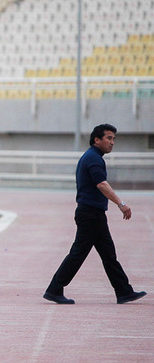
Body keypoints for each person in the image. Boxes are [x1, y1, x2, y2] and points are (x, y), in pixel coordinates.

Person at [43, 124, 147, 304]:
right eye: (109, 138)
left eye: (114, 139)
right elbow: (101, 184)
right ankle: (54, 289)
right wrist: (121, 204)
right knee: (78, 253)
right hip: (90, 214)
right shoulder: (93, 158)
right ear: (96, 140)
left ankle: (123, 291)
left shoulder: (94, 157)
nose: (112, 142)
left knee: (108, 254)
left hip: (94, 214)